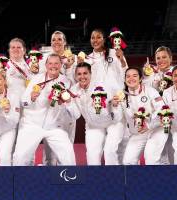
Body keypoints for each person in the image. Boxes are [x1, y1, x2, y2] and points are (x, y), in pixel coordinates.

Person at [13, 53, 76, 166]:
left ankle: (67, 182)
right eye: (50, 63)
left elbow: (73, 111)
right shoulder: (36, 79)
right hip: (32, 124)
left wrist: (66, 102)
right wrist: (31, 97)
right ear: (46, 65)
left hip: (55, 127)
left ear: (61, 65)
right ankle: (21, 182)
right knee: (20, 159)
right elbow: (24, 101)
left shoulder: (66, 82)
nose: (53, 66)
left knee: (68, 159)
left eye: (56, 63)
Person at [65, 62, 124, 165]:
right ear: (75, 76)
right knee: (92, 157)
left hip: (113, 122)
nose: (82, 76)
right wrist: (69, 102)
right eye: (79, 74)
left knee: (109, 152)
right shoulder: (73, 91)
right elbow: (76, 115)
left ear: (90, 74)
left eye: (85, 73)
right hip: (93, 125)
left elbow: (118, 100)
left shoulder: (103, 85)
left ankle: (114, 177)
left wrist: (115, 106)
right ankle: (95, 179)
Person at [112, 67, 167, 165]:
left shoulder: (150, 91)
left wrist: (149, 125)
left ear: (140, 79)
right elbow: (117, 118)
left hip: (156, 129)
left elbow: (162, 110)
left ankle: (156, 179)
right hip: (139, 133)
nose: (131, 78)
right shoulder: (121, 96)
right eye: (128, 76)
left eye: (134, 76)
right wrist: (115, 106)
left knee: (150, 158)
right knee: (128, 162)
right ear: (125, 80)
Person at [39, 31, 76, 166]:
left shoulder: (74, 59)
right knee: (49, 152)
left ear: (65, 42)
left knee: (66, 150)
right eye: (54, 40)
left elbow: (77, 82)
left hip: (67, 107)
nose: (56, 42)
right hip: (51, 108)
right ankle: (47, 180)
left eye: (60, 39)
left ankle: (65, 181)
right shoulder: (44, 60)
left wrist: (70, 66)